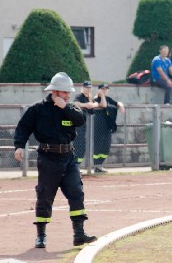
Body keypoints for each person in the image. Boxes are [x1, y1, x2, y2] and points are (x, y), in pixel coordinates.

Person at [12, 72, 97, 248]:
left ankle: (79, 234)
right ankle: (41, 236)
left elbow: (81, 120)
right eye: (65, 93)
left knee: (76, 193)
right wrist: (19, 146)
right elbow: (23, 128)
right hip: (48, 158)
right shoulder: (38, 109)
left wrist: (65, 107)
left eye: (69, 93)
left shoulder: (71, 109)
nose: (68, 96)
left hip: (68, 158)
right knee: (45, 196)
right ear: (55, 92)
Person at [91, 83, 125, 173]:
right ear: (98, 90)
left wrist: (120, 105)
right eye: (102, 89)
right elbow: (104, 105)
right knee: (98, 147)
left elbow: (116, 103)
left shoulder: (108, 99)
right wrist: (101, 95)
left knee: (106, 147)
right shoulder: (95, 99)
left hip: (107, 127)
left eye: (106, 89)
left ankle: (100, 165)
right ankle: (96, 165)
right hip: (98, 127)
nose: (105, 90)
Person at [72, 80, 100, 166]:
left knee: (83, 147)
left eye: (89, 88)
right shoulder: (79, 96)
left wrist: (92, 104)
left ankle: (77, 166)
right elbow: (75, 103)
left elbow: (97, 104)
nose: (88, 89)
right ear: (83, 88)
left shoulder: (90, 98)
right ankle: (75, 166)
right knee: (78, 146)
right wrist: (86, 105)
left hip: (86, 126)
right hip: (78, 126)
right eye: (86, 87)